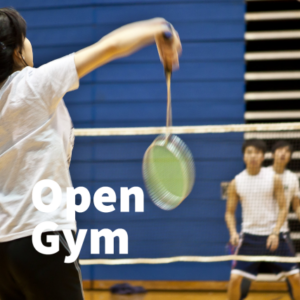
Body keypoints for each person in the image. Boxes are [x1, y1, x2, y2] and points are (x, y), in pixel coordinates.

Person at [0, 7, 182, 300]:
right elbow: (108, 47)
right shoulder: (34, 84)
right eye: (26, 37)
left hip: (3, 249)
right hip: (42, 236)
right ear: (16, 52)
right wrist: (159, 28)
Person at [225, 139, 300, 300]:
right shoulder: (236, 182)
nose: (253, 156)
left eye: (257, 153)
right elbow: (229, 213)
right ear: (244, 156)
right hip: (249, 237)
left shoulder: (274, 178)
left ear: (263, 157)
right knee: (234, 280)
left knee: (296, 278)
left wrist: (275, 232)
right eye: (249, 152)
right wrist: (233, 232)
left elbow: (283, 208)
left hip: (275, 237)